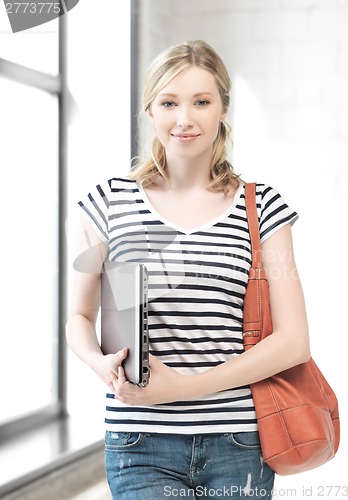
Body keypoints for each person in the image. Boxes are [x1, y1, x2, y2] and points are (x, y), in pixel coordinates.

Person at [66, 40, 311, 499]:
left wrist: (186, 386)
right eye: (169, 102)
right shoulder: (107, 203)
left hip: (239, 441)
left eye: (201, 101)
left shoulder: (264, 208)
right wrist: (101, 364)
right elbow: (78, 318)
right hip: (139, 441)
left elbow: (294, 341)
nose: (184, 118)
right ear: (150, 110)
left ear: (223, 109)